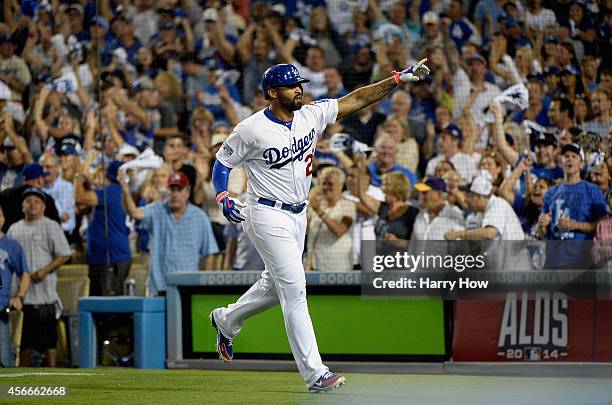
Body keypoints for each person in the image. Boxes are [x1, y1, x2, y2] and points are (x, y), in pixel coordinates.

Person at [208, 60, 430, 392]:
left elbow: (355, 100)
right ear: (272, 93)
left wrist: (395, 79)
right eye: (291, 85)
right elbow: (222, 163)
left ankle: (227, 319)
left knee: (275, 285)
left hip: (299, 213)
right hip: (265, 212)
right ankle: (316, 374)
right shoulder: (251, 129)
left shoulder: (311, 114)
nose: (299, 89)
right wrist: (223, 194)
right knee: (295, 289)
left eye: (300, 84)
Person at [119, 171, 219, 295]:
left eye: (179, 190)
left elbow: (210, 253)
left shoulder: (200, 217)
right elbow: (134, 213)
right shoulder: (157, 210)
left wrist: (205, 286)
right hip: (159, 287)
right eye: (172, 189)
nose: (175, 194)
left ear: (187, 192)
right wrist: (125, 189)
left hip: (188, 288)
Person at [7, 188, 71, 367]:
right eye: (28, 201)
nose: (32, 204)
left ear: (43, 206)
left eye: (37, 201)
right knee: (24, 339)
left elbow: (64, 254)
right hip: (21, 295)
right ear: (22, 206)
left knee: (49, 339)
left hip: (44, 293)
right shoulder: (14, 229)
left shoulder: (50, 225)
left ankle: (53, 372)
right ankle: (23, 375)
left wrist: (45, 270)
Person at [537, 143, 607, 269]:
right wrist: (542, 225)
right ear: (561, 161)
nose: (569, 158)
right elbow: (542, 234)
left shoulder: (592, 190)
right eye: (566, 156)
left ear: (581, 164)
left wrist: (575, 225)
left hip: (581, 263)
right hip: (553, 261)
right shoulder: (551, 192)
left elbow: (603, 225)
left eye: (574, 156)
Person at [76, 161, 132, 296]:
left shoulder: (112, 191)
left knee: (109, 307)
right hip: (104, 257)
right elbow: (81, 208)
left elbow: (81, 198)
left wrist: (79, 176)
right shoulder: (111, 192)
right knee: (101, 303)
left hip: (111, 257)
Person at [307, 166, 356, 272]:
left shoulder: (348, 205)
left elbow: (339, 231)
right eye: (323, 183)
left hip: (339, 267)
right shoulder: (316, 205)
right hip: (316, 265)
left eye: (330, 184)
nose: (326, 187)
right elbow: (307, 232)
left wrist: (319, 211)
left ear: (340, 186)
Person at [0, 205, 30, 367]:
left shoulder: (12, 245)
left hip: (1, 309)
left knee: (4, 362)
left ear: (3, 219)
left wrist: (19, 296)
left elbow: (25, 275)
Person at [0, 163, 61, 232]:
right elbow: (56, 227)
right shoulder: (45, 199)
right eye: (43, 178)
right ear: (39, 180)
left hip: (6, 240)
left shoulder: (5, 194)